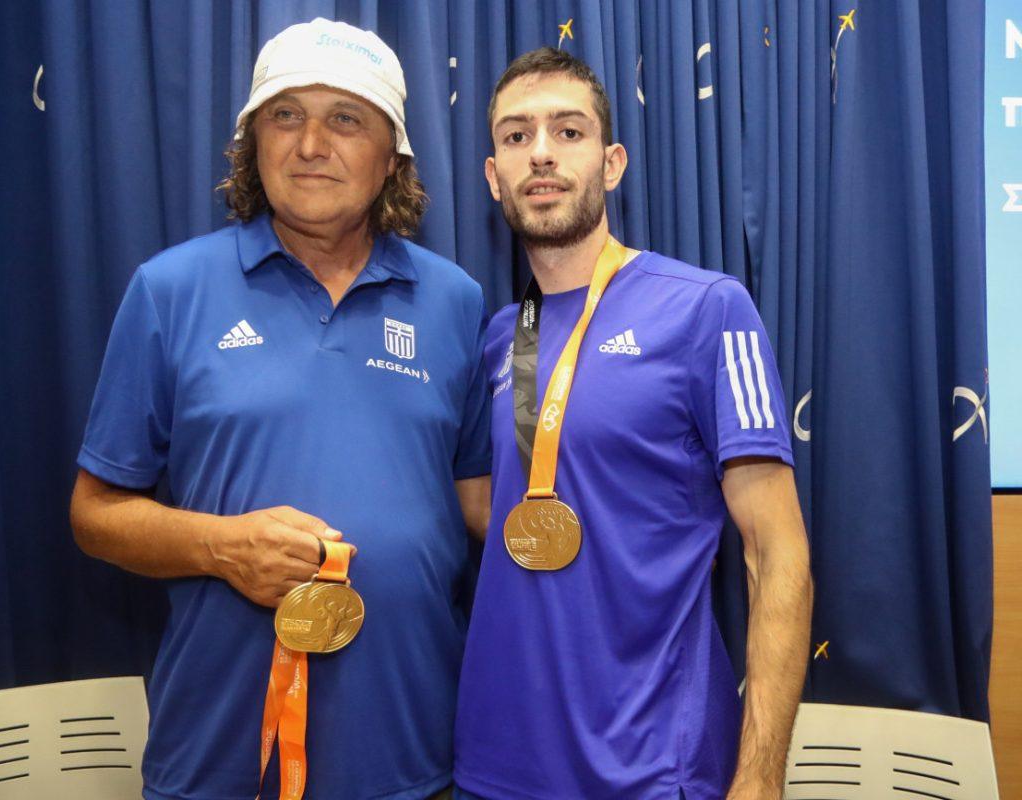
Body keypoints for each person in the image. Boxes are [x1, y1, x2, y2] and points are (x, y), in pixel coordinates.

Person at [69, 18, 490, 800]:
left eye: (345, 119)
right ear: (251, 144)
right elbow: (94, 516)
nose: (310, 145)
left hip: (415, 758)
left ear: (392, 158)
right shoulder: (168, 291)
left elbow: (479, 504)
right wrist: (222, 547)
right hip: (219, 761)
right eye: (286, 116)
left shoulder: (457, 303)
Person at [454, 48, 813, 799]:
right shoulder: (499, 337)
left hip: (652, 768)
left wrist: (759, 777)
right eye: (517, 136)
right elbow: (495, 513)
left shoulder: (708, 309)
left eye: (568, 131)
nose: (541, 153)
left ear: (612, 163)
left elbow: (778, 556)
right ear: (493, 176)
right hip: (497, 764)